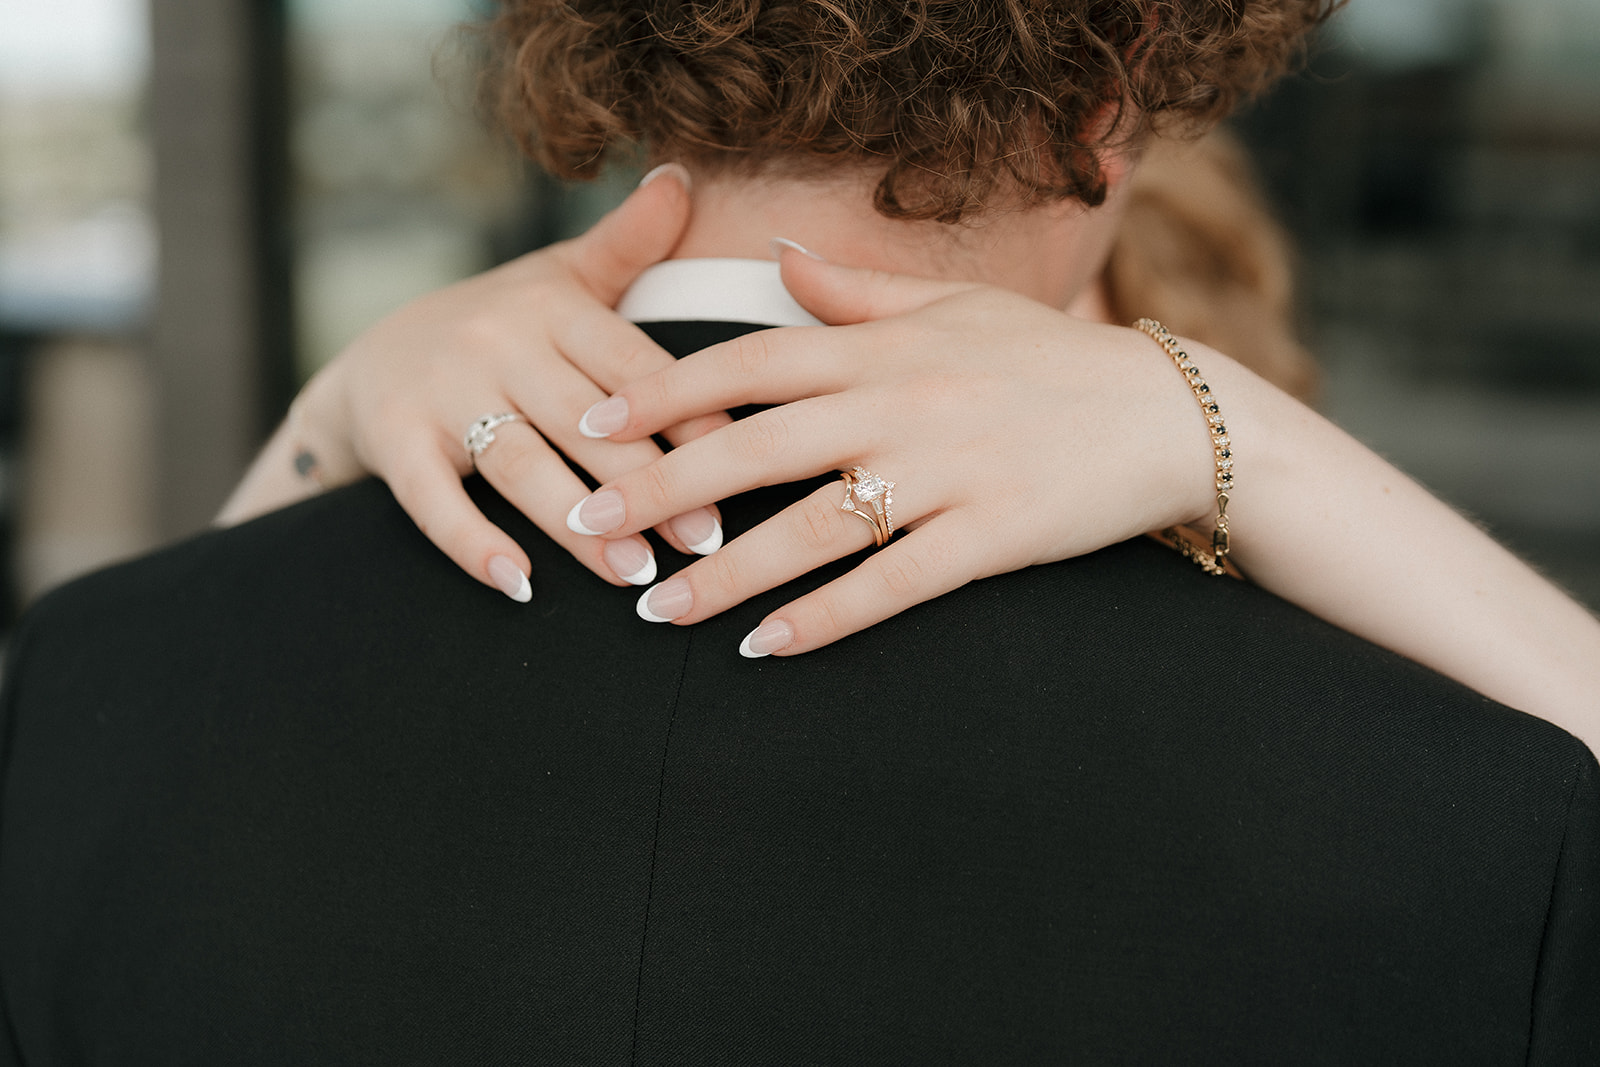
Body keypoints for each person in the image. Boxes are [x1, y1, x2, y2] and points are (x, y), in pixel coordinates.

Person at [3, 1, 1597, 1062]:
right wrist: (1227, 428)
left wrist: (321, 423)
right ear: (1110, 117)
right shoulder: (1462, 822)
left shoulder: (90, 686)